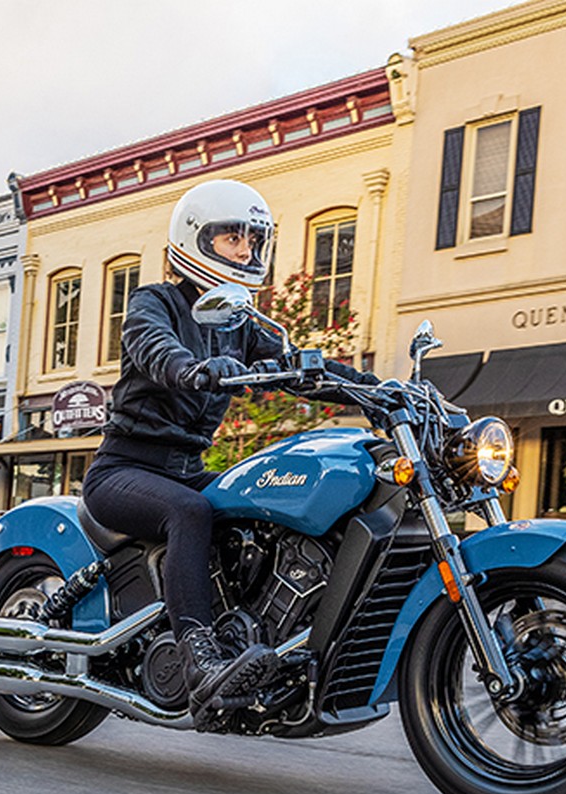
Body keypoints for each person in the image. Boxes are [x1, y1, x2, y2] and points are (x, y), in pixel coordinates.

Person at [80, 178, 377, 723]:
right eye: (231, 238)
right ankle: (200, 662)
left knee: (245, 513)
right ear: (196, 239)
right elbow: (152, 347)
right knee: (189, 511)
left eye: (253, 240)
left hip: (187, 469)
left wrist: (375, 390)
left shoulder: (242, 324)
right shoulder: (156, 302)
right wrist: (191, 368)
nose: (245, 251)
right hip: (123, 471)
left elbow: (303, 366)